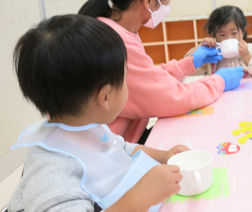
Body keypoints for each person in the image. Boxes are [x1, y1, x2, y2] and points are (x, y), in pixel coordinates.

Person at [9, 14, 189, 211]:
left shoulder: (85, 124)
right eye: (125, 78)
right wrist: (138, 199)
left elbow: (118, 149)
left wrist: (164, 156)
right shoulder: (52, 170)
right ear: (105, 97)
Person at [79, 0, 243, 143]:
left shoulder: (116, 28)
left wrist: (189, 63)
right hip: (109, 152)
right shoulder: (113, 41)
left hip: (115, 142)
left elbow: (147, 78)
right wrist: (220, 81)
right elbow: (172, 97)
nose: (167, 7)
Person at [190, 5, 252, 77]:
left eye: (234, 33)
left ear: (243, 31)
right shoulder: (212, 52)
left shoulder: (251, 49)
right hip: (220, 90)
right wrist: (201, 48)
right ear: (214, 35)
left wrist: (246, 55)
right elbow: (188, 66)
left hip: (246, 90)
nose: (229, 38)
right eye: (223, 35)